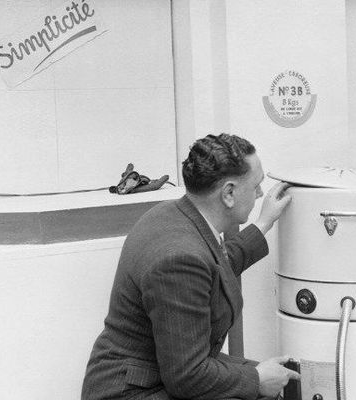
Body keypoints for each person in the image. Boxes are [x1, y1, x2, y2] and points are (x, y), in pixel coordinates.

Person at [82, 133, 300, 400]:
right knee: (264, 386)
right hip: (133, 391)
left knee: (273, 379)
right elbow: (188, 378)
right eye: (256, 186)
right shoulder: (180, 258)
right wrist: (256, 379)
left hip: (154, 373)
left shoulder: (174, 214)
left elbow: (216, 263)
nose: (259, 194)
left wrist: (264, 222)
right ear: (229, 193)